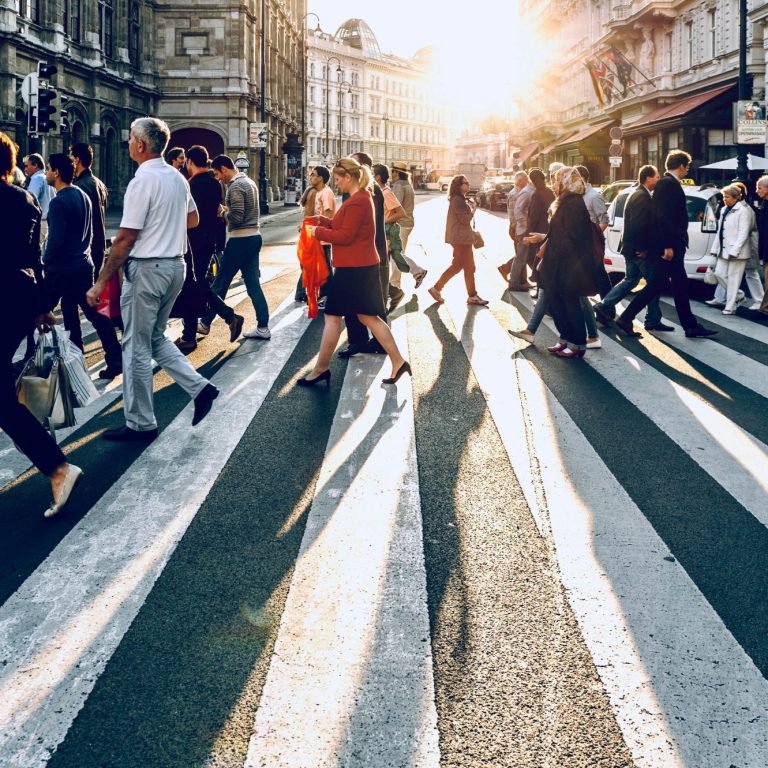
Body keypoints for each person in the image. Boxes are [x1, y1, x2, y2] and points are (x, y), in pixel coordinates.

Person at [86, 117, 219, 441]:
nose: (129, 142)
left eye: (131, 138)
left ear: (140, 145)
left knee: (134, 347)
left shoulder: (142, 181)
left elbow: (125, 238)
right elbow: (193, 219)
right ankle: (200, 388)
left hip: (147, 269)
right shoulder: (177, 178)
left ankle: (140, 423)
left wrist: (101, 281)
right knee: (155, 338)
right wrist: (165, 227)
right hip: (175, 266)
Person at [0, 132, 83, 518]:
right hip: (19, 300)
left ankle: (57, 467)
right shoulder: (26, 199)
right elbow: (32, 258)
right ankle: (56, 467)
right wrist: (39, 306)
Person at [298, 157, 410, 387]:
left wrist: (318, 232)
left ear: (349, 177)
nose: (336, 183)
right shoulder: (360, 198)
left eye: (338, 179)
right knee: (367, 316)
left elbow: (346, 236)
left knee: (332, 316)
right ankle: (398, 361)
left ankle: (321, 369)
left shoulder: (359, 200)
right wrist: (322, 221)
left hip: (354, 269)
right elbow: (344, 227)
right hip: (359, 266)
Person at [616, 150, 717, 339]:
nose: (687, 170)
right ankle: (689, 326)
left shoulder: (666, 184)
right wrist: (668, 246)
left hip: (670, 245)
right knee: (668, 284)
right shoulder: (669, 184)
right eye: (687, 166)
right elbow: (664, 217)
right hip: (670, 246)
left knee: (668, 284)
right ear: (681, 166)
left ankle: (688, 325)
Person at [41, 154, 123, 379]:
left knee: (38, 310)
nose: (46, 173)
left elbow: (55, 241)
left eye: (48, 169)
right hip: (82, 265)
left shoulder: (59, 201)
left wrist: (44, 261)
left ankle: (56, 362)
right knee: (86, 312)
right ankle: (111, 358)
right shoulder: (82, 195)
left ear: (57, 172)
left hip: (61, 269)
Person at [527, 166, 598, 358]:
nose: (553, 183)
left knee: (570, 304)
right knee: (558, 304)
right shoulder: (564, 201)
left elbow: (570, 236)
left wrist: (558, 257)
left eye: (557, 179)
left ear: (566, 181)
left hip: (568, 264)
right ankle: (565, 339)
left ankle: (577, 345)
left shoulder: (573, 203)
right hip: (558, 261)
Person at [176, 144, 242, 351]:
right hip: (209, 242)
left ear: (190, 162)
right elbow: (217, 214)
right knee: (195, 285)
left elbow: (187, 217)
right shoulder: (215, 184)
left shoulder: (191, 185)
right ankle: (190, 334)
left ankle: (227, 317)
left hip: (193, 242)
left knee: (193, 285)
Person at [198, 154, 270, 341]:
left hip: (240, 240)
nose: (218, 178)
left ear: (224, 168)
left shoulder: (235, 186)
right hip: (254, 237)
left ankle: (205, 323)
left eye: (217, 173)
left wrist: (223, 212)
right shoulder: (249, 182)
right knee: (253, 285)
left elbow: (237, 217)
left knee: (220, 283)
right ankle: (263, 326)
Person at [594, 165, 673, 331]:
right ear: (648, 178)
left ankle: (604, 305)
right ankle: (652, 319)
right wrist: (643, 248)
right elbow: (637, 225)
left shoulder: (636, 193)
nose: (658, 180)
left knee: (631, 280)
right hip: (638, 250)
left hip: (630, 248)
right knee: (653, 283)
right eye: (657, 177)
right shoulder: (642, 197)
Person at [337, 151, 390, 358]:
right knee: (355, 301)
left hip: (367, 253)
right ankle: (359, 341)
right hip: (358, 253)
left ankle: (379, 342)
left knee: (373, 301)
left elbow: (354, 226)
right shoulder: (354, 189)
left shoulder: (369, 190)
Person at [427, 175, 489, 306]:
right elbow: (465, 220)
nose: (469, 184)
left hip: (463, 238)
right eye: (466, 183)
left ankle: (472, 295)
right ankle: (437, 288)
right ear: (459, 186)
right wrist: (473, 210)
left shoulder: (460, 199)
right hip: (460, 239)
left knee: (469, 267)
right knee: (459, 266)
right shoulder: (457, 200)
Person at [709, 183, 754, 314]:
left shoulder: (743, 211)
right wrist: (715, 248)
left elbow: (743, 233)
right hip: (724, 250)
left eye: (727, 197)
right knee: (719, 274)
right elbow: (720, 232)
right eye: (724, 196)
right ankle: (739, 296)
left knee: (734, 279)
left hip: (737, 252)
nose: (724, 199)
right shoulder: (724, 210)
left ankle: (730, 306)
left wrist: (735, 250)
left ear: (735, 198)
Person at [70, 142, 109, 279]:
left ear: (77, 160)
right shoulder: (99, 183)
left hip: (85, 250)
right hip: (98, 247)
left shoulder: (79, 186)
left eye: (71, 157)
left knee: (76, 295)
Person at [389, 161, 428, 290]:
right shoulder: (407, 184)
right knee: (396, 254)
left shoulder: (399, 186)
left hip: (401, 224)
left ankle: (398, 282)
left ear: (396, 173)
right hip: (407, 223)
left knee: (397, 254)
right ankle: (399, 281)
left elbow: (396, 206)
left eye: (392, 171)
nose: (390, 173)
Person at [498, 171, 533, 289]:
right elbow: (513, 213)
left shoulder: (518, 192)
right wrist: (515, 229)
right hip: (516, 227)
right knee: (522, 253)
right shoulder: (516, 193)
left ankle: (523, 281)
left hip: (517, 226)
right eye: (526, 179)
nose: (528, 181)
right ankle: (506, 269)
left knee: (522, 253)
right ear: (520, 181)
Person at [24, 153, 55, 243]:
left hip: (40, 224)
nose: (25, 169)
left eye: (27, 166)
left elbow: (30, 201)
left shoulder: (36, 178)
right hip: (49, 223)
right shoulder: (48, 178)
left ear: (35, 165)